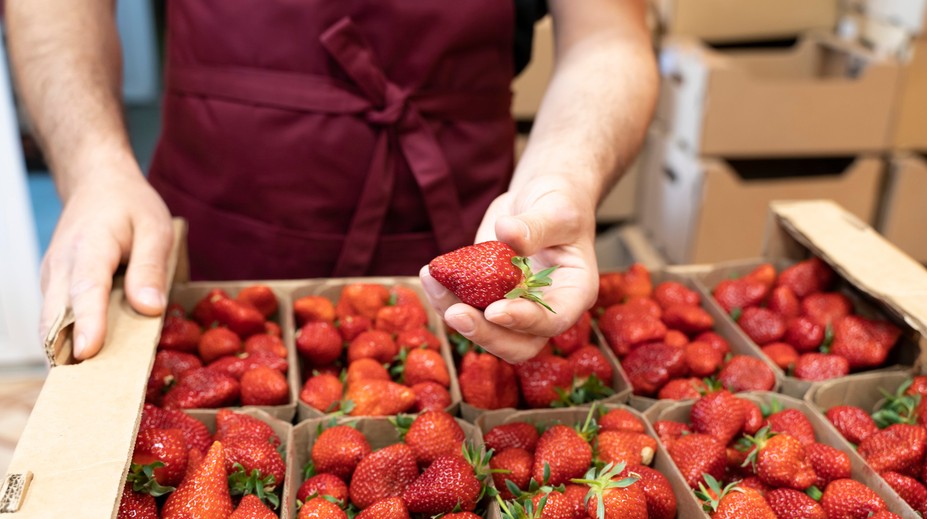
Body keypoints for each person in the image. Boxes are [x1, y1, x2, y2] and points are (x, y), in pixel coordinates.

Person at [7, 1, 657, 364]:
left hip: (470, 242)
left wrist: (562, 176)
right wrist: (93, 163)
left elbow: (608, 35)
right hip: (210, 230)